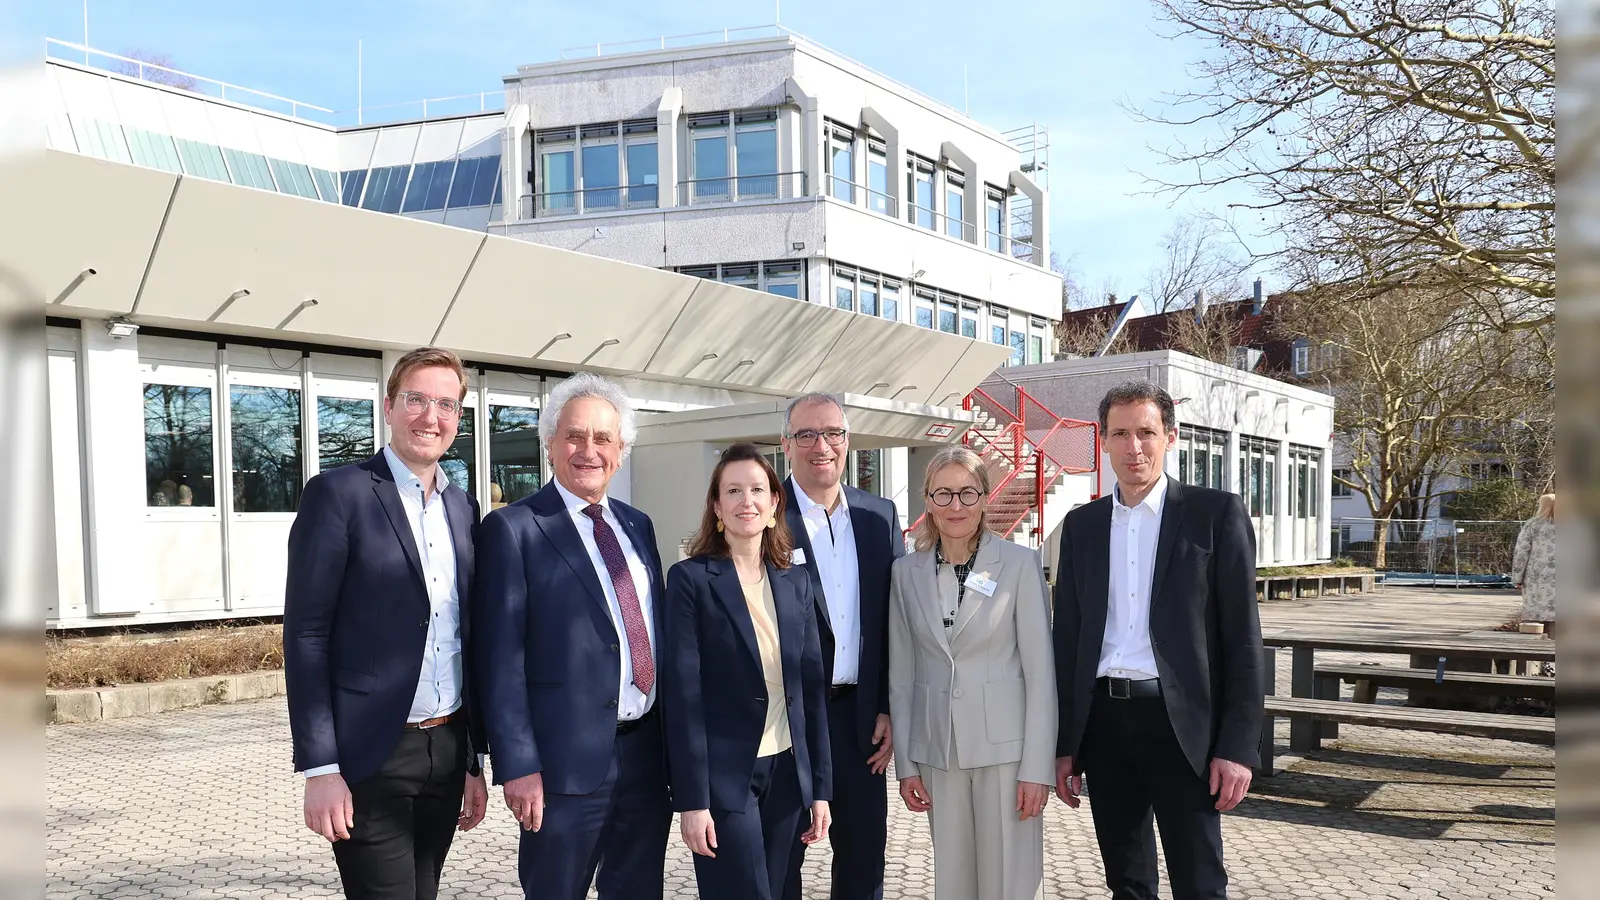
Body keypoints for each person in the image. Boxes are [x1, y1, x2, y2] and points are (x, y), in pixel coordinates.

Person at [284, 346, 489, 900]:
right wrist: (320, 767)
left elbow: (464, 637)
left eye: (446, 404)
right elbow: (306, 636)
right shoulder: (338, 495)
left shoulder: (463, 509)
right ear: (389, 407)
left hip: (445, 750)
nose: (431, 416)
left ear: (459, 419)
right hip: (369, 756)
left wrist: (471, 760)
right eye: (417, 399)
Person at [1052, 380, 1263, 900]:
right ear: (1103, 441)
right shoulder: (1081, 527)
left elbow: (1242, 639)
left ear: (1170, 437)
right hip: (1104, 726)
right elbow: (1069, 641)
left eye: (1145, 432)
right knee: (1126, 881)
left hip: (1183, 729)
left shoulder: (1214, 516)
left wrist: (1238, 747)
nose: (1133, 446)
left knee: (1200, 882)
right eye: (1120, 433)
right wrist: (1064, 746)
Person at [475, 373, 672, 900]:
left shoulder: (638, 526)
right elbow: (498, 660)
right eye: (574, 436)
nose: (588, 450)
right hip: (560, 770)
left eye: (603, 439)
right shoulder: (513, 529)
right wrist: (517, 766)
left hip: (646, 758)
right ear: (550, 445)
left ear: (622, 451)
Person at [664, 443, 834, 900]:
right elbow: (683, 698)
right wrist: (693, 801)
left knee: (782, 892)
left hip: (786, 770)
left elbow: (812, 691)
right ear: (717, 506)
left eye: (757, 489)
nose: (747, 501)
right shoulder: (690, 580)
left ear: (774, 502)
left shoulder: (794, 579)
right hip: (725, 777)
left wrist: (820, 788)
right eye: (733, 491)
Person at [888, 445, 1056, 900]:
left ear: (984, 497)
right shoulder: (905, 573)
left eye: (967, 493)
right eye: (943, 494)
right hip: (938, 753)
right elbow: (902, 676)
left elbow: (1042, 675)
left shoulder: (1019, 565)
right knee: (955, 883)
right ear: (927, 500)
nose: (955, 506)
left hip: (1008, 756)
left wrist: (1038, 767)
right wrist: (906, 764)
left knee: (1012, 883)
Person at [779, 392, 903, 900]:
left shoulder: (879, 517)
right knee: (783, 860)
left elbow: (896, 622)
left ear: (848, 442)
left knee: (862, 863)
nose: (820, 446)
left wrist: (889, 708)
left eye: (832, 433)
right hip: (789, 727)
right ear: (786, 445)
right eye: (806, 434)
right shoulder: (763, 515)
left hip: (861, 727)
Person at [1512, 493, 1557, 634]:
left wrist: (1517, 578)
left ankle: (1531, 649)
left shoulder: (1533, 525)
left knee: (1534, 619)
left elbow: (1521, 552)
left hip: (1536, 580)